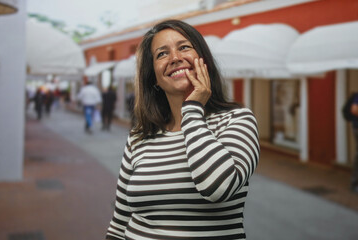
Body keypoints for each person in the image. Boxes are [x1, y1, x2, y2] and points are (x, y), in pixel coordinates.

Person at [105, 20, 260, 240]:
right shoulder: (139, 137)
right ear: (155, 79)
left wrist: (193, 108)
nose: (175, 58)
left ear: (204, 60)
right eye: (161, 54)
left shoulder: (237, 120)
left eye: (184, 47)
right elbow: (119, 222)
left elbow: (218, 188)